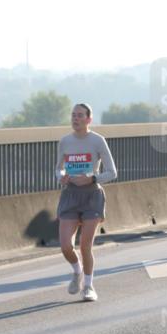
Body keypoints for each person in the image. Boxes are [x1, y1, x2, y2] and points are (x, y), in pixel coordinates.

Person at [56, 103, 117, 301]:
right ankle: (77, 270)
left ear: (89, 119)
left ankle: (89, 286)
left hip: (92, 196)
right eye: (73, 115)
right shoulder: (65, 141)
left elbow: (112, 172)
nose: (76, 119)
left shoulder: (98, 141)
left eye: (80, 115)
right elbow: (58, 168)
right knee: (66, 245)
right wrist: (62, 176)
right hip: (70, 195)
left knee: (85, 246)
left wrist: (92, 178)